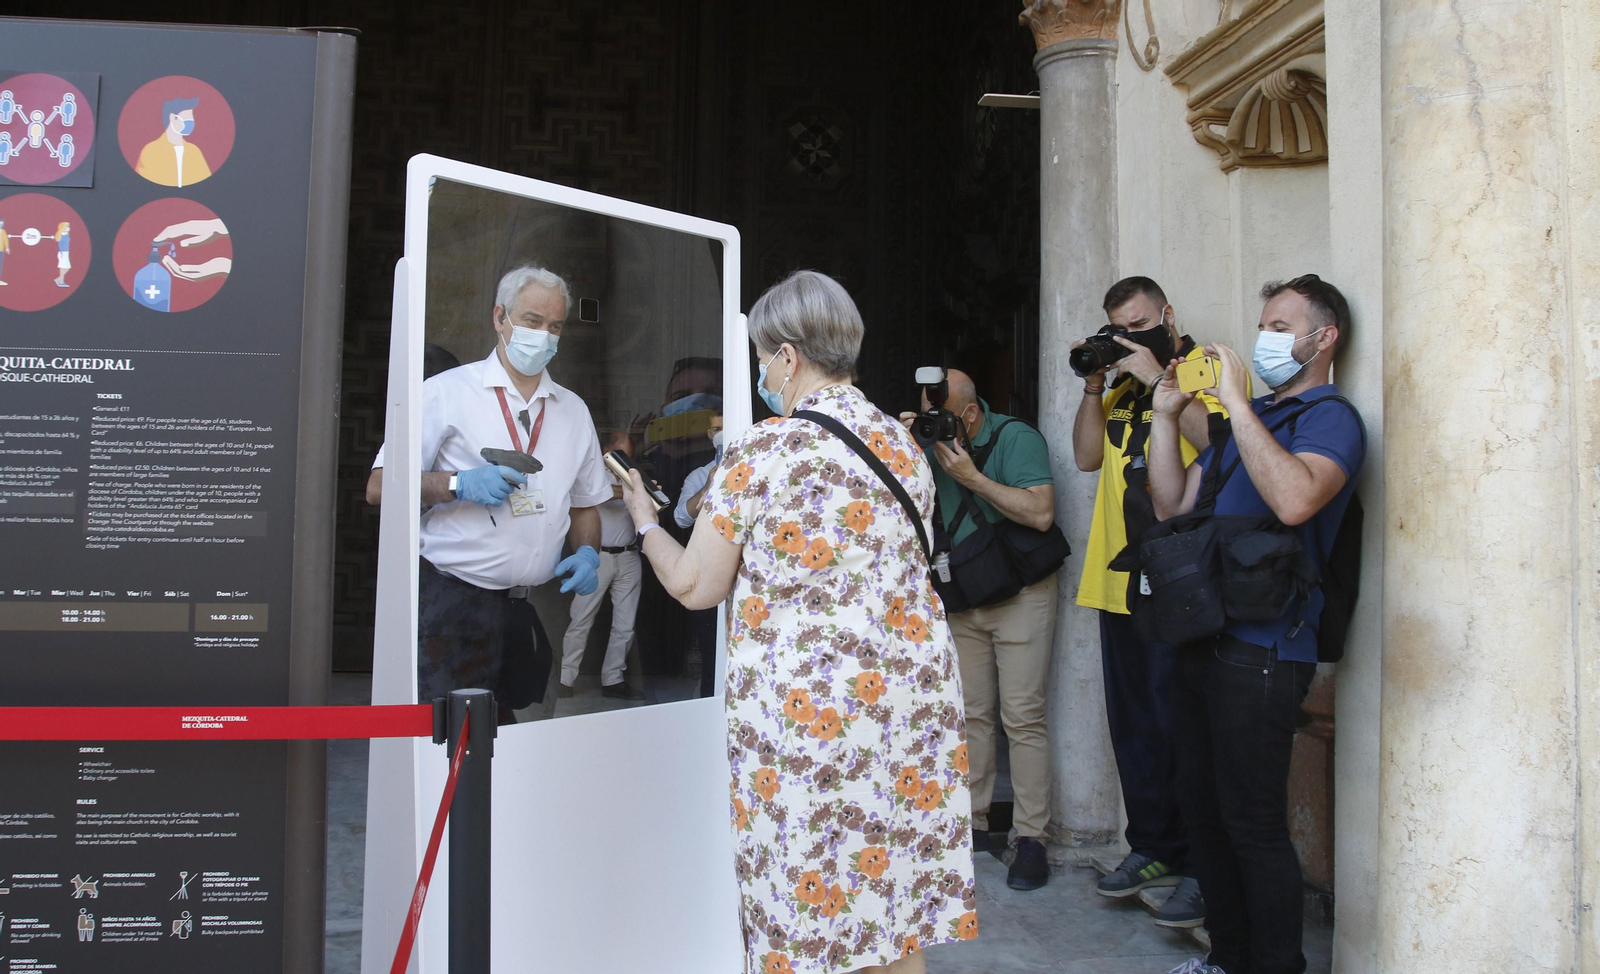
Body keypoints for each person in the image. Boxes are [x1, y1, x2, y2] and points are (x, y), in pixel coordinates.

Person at [619, 270, 975, 974]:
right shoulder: (905, 446)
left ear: (787, 356)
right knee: (888, 908)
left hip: (812, 717)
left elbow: (695, 584)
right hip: (909, 706)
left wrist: (643, 521)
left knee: (802, 908)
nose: (761, 372)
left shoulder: (764, 451)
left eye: (762, 357)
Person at [1149, 275, 1365, 974]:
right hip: (1205, 634)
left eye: (1279, 325)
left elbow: (1299, 499)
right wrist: (1163, 417)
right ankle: (1226, 959)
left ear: (1322, 338)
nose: (1264, 337)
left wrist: (1236, 402)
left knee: (1252, 823)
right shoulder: (1256, 421)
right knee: (1205, 816)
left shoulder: (1331, 419)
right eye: (1264, 324)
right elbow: (1172, 504)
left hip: (1266, 647)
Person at [367, 264, 610, 721]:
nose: (544, 336)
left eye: (554, 326)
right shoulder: (444, 393)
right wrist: (459, 483)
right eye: (532, 322)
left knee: (519, 735)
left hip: (529, 607)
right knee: (448, 738)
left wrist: (589, 553)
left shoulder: (573, 411)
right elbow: (379, 488)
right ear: (500, 317)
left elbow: (585, 504)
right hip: (452, 603)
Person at [1072, 276, 1225, 924]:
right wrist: (1095, 381)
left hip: (1178, 579)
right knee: (1133, 728)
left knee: (1183, 730)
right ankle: (1153, 847)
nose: (1129, 338)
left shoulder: (1204, 365)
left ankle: (1200, 865)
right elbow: (1084, 456)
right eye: (1119, 330)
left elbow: (1222, 441)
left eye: (1139, 325)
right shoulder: (1122, 383)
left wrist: (1163, 371)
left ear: (1166, 314)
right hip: (1116, 577)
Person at [898, 370, 1057, 890]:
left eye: (941, 416)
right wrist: (898, 445)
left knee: (1023, 716)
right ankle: (972, 824)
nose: (934, 424)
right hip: (964, 590)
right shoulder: (924, 443)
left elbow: (1040, 513)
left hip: (1019, 592)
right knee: (970, 716)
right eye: (927, 414)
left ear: (969, 414)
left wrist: (971, 477)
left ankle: (1031, 838)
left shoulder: (1014, 437)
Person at [559, 429, 647, 702]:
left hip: (630, 556)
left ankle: (613, 679)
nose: (626, 458)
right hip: (598, 557)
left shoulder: (634, 477)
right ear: (606, 449)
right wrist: (634, 490)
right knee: (581, 619)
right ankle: (565, 679)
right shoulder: (592, 475)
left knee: (625, 624)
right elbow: (602, 495)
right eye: (621, 452)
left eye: (629, 453)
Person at [672, 410, 725, 698]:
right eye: (717, 428)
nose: (721, 433)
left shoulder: (757, 465)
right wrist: (708, 487)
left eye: (726, 426)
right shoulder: (700, 475)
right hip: (710, 577)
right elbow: (681, 517)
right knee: (711, 655)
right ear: (709, 435)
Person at [135, 96, 212, 188]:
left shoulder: (194, 151)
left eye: (192, 117)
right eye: (187, 116)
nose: (191, 121)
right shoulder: (151, 151)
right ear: (173, 118)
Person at [52, 222, 70, 288]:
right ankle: (61, 281)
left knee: (67, 267)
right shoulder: (61, 235)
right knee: (62, 267)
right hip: (63, 253)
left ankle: (58, 279)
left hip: (66, 252)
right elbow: (60, 245)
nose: (68, 228)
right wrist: (61, 252)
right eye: (66, 227)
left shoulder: (66, 235)